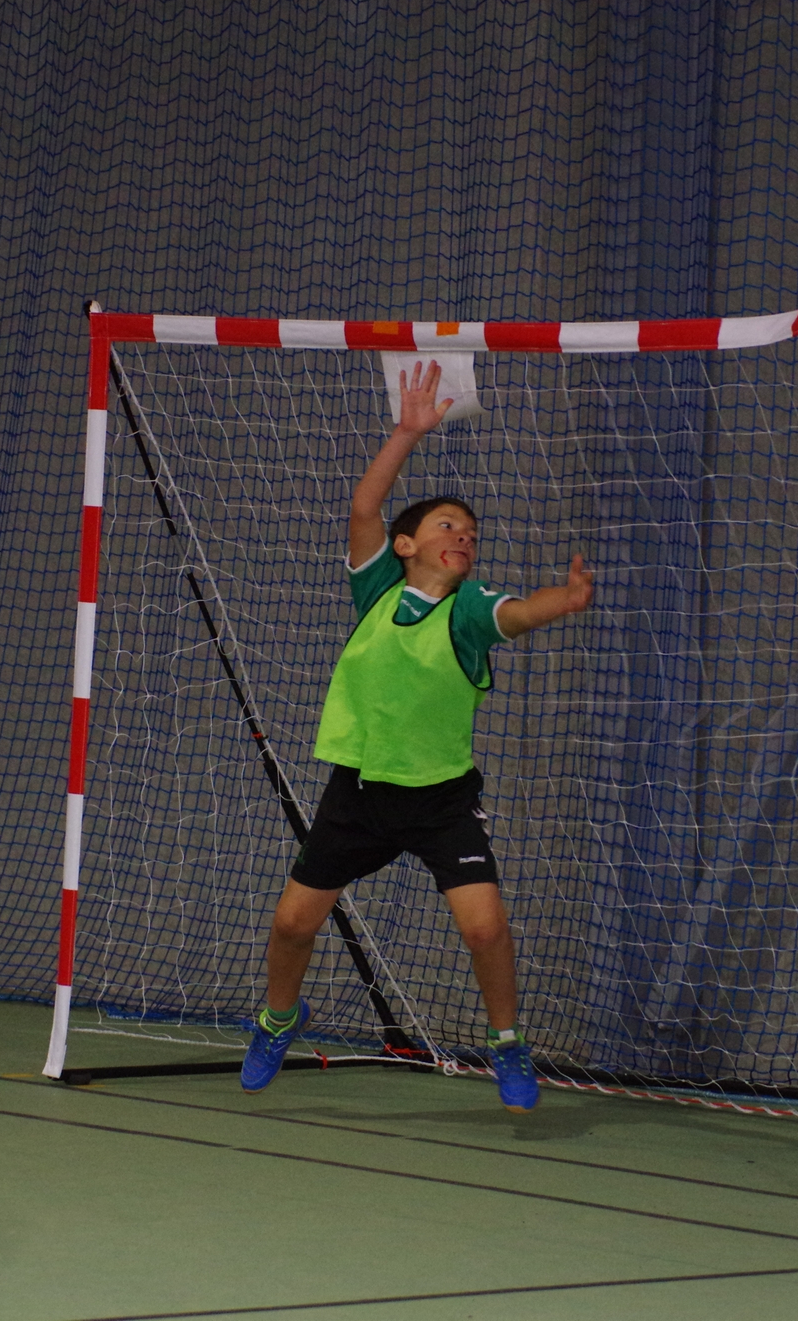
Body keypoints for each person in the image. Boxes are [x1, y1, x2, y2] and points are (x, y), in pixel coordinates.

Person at [240, 358, 595, 1111]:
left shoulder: (468, 612)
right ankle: (278, 1020)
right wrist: (407, 432)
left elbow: (517, 614)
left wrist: (561, 603)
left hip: (440, 800)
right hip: (360, 792)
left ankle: (507, 1043)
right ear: (405, 546)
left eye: (471, 533)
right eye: (446, 526)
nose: (462, 536)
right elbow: (365, 505)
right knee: (293, 923)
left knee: (485, 930)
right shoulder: (377, 591)